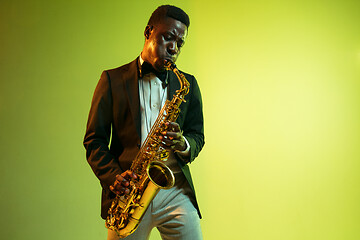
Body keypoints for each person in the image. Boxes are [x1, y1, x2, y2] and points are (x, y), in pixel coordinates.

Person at [83, 5, 204, 240]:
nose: (173, 48)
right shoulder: (112, 80)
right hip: (128, 194)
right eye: (168, 37)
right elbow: (94, 140)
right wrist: (113, 178)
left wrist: (182, 143)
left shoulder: (187, 84)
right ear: (149, 31)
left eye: (180, 43)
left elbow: (197, 136)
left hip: (175, 190)